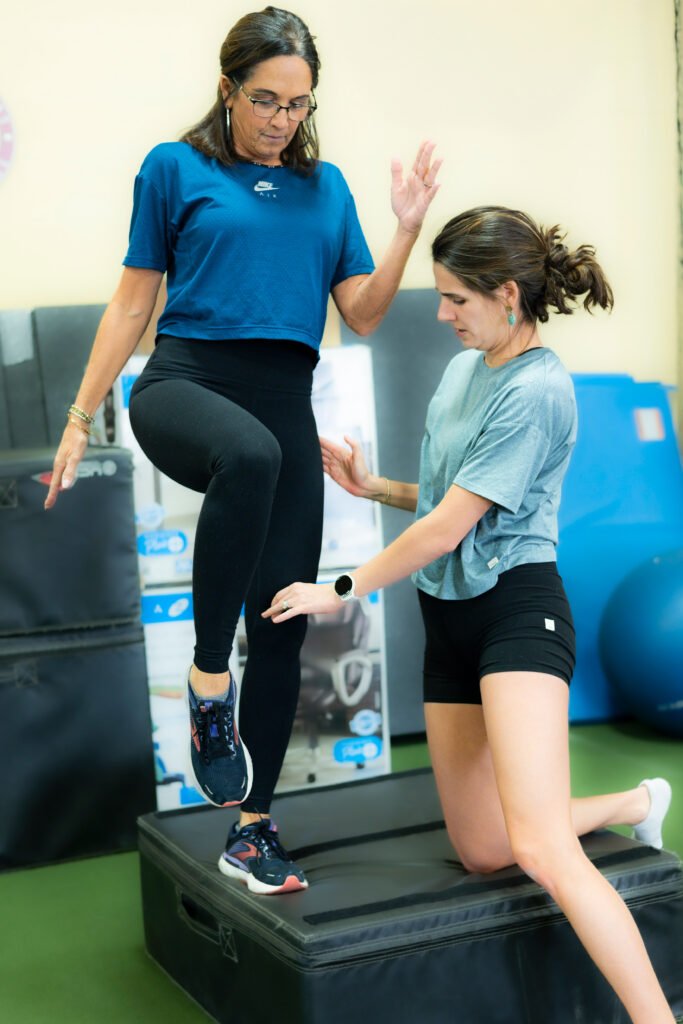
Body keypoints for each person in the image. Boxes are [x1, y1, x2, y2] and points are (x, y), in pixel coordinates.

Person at [43, 6, 441, 896]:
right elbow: (131, 304)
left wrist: (406, 226)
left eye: (298, 105)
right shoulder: (174, 168)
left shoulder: (326, 188)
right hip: (184, 387)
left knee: (287, 619)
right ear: (227, 89)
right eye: (265, 100)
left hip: (282, 410)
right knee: (251, 458)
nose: (281, 120)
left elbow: (364, 315)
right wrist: (78, 415)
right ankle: (205, 679)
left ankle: (252, 829)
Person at [264, 206, 675, 1021]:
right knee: (487, 850)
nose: (442, 314)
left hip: (515, 614)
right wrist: (373, 486)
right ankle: (634, 804)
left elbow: (450, 527)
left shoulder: (538, 388)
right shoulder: (464, 372)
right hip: (448, 616)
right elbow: (450, 500)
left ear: (508, 297)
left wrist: (336, 588)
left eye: (456, 299)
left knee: (544, 852)